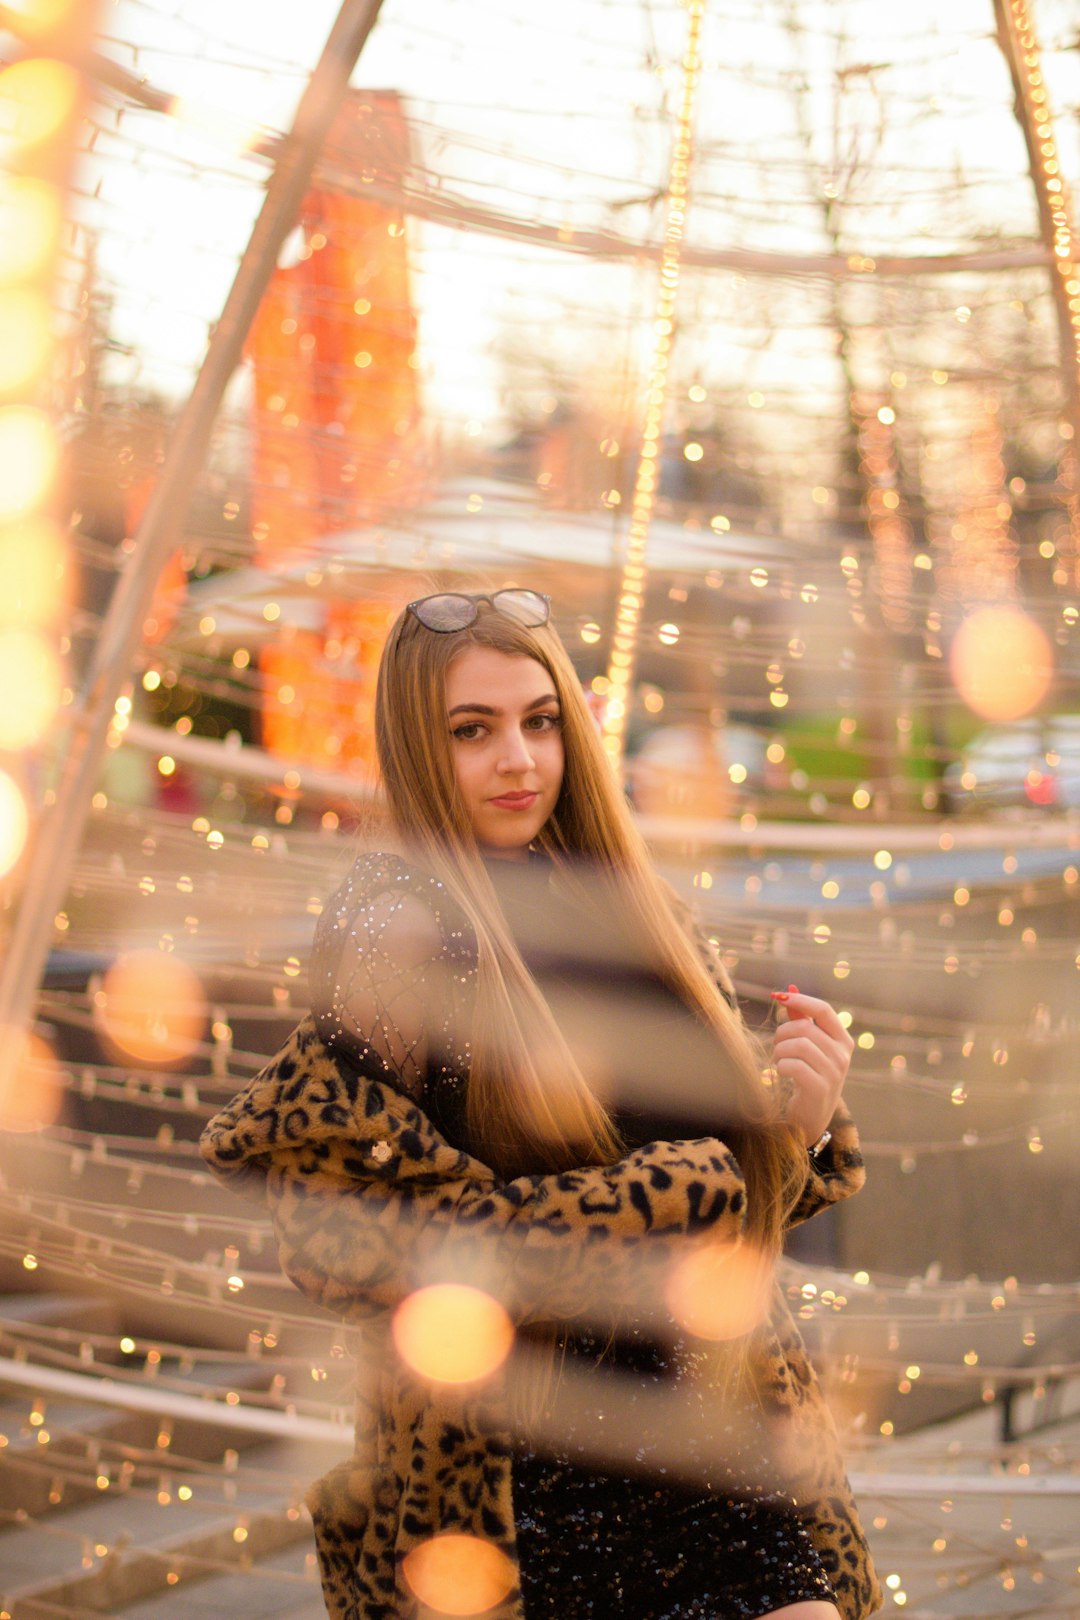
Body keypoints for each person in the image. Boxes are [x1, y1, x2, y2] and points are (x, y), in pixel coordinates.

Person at [201, 587, 882, 1620]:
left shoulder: (617, 903)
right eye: (472, 731)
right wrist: (676, 1192)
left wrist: (788, 1128)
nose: (518, 758)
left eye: (539, 719)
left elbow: (728, 1225)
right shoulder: (399, 928)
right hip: (537, 1469)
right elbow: (363, 1243)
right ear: (417, 748)